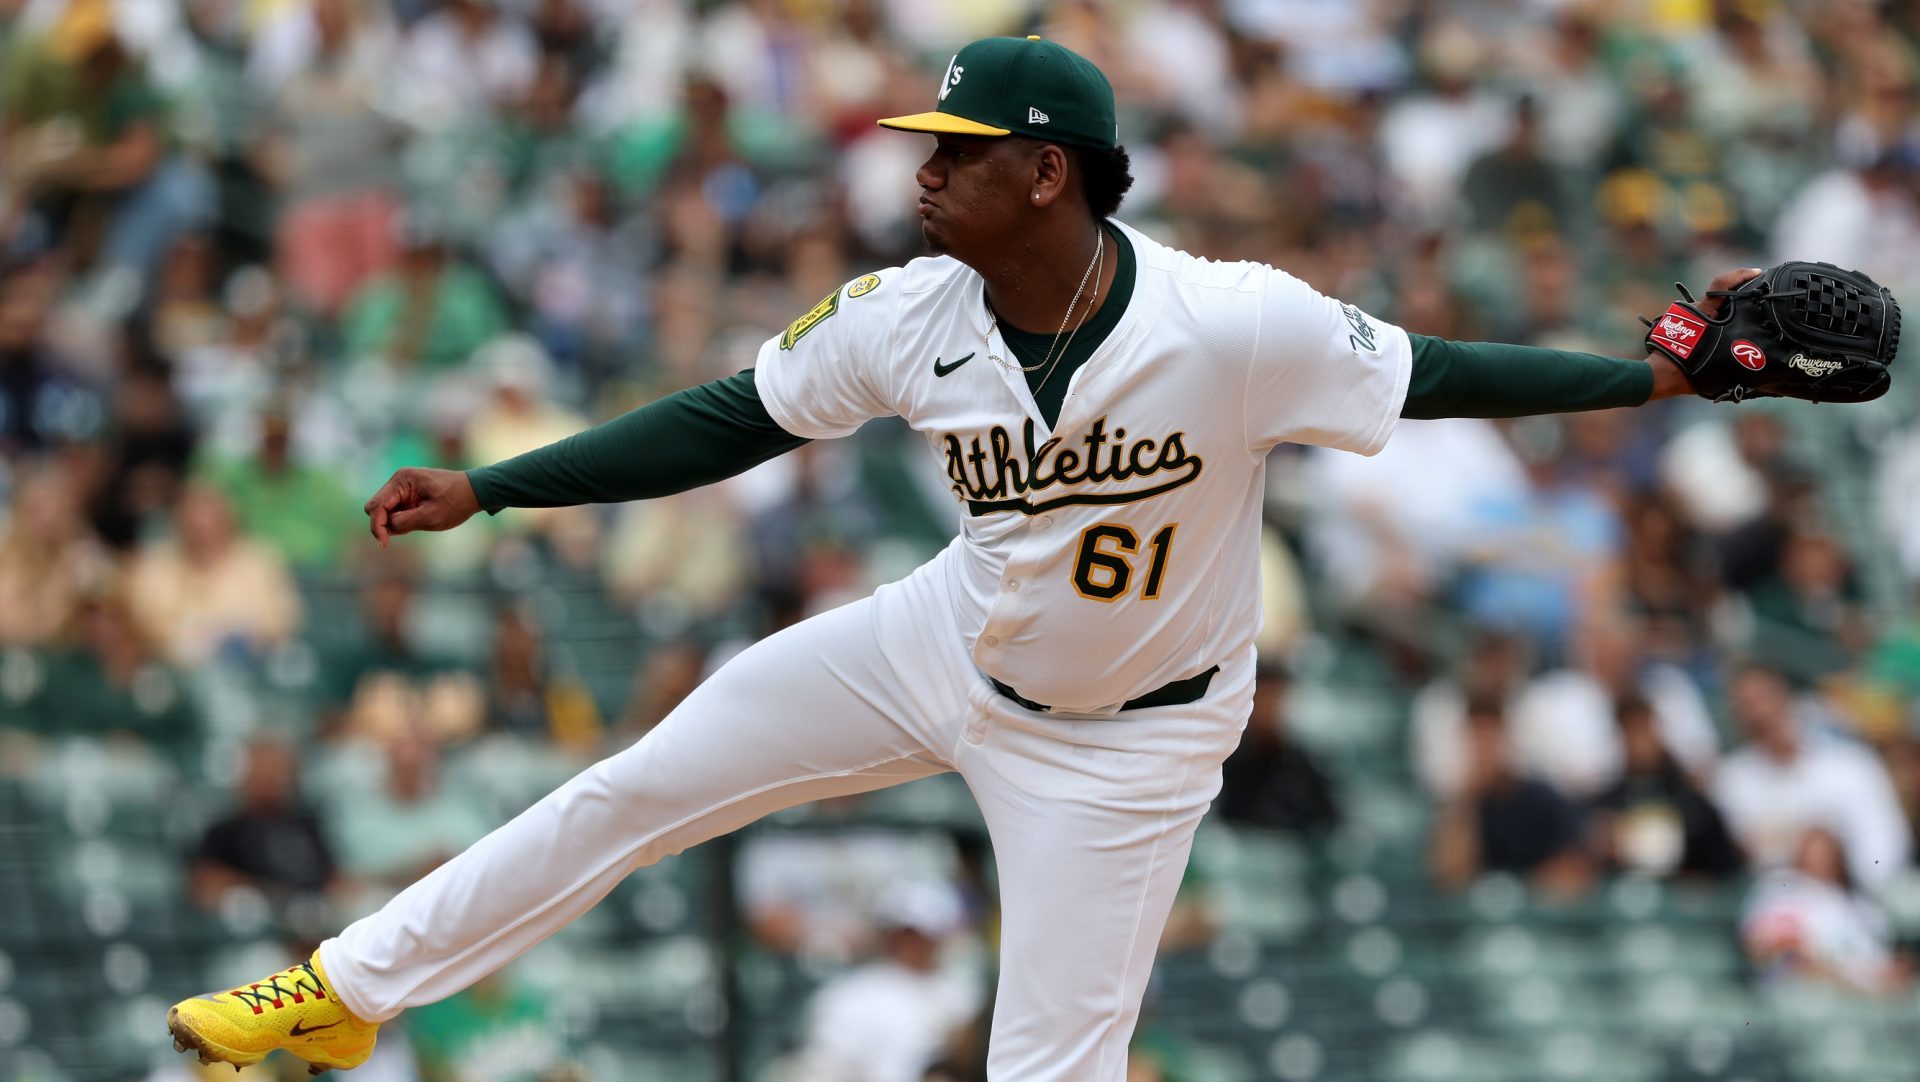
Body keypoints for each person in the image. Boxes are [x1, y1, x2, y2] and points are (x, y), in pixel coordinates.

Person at [168, 36, 1774, 1080]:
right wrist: (499, 486)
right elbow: (735, 415)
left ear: (1046, 169)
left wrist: (1646, 376)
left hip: (1131, 745)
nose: (919, 168)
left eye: (953, 148)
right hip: (946, 641)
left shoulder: (1233, 318)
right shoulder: (911, 315)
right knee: (641, 782)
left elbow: (1439, 369)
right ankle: (344, 990)